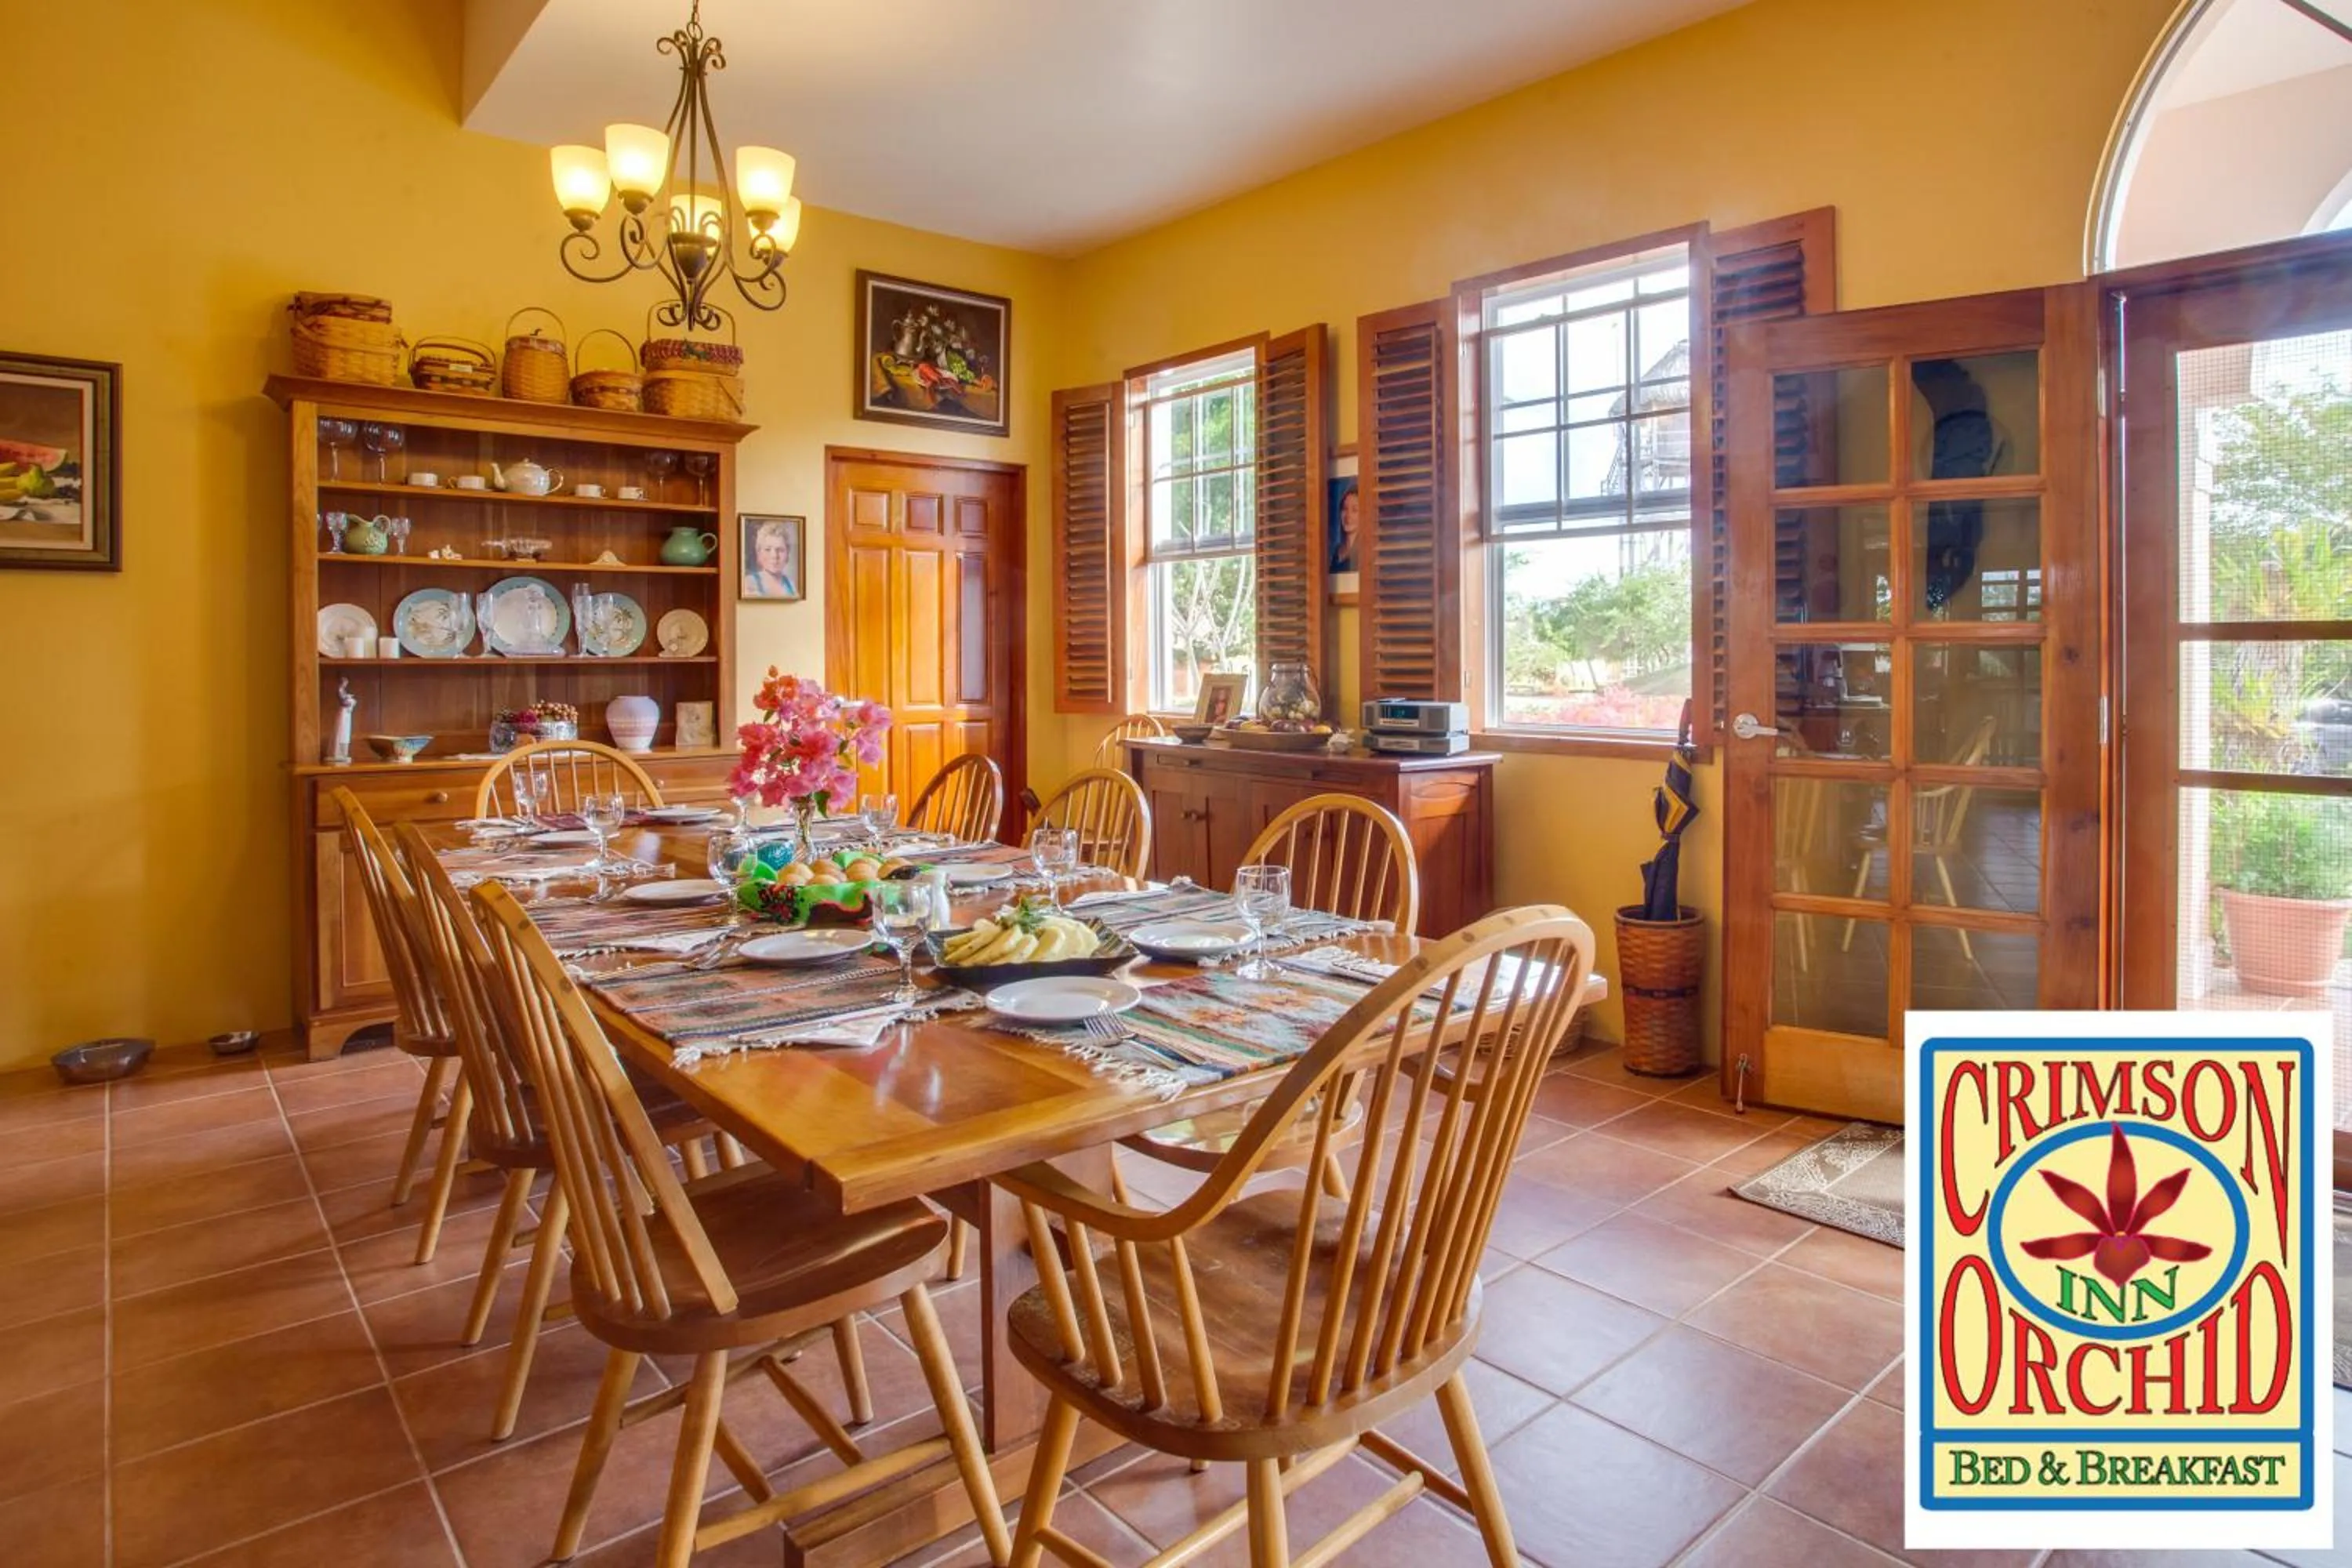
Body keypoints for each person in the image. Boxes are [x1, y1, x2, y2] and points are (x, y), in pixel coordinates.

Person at [743, 519, 797, 597]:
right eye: (768, 549)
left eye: (780, 550)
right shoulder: (749, 583)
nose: (774, 556)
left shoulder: (791, 586)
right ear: (759, 553)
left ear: (787, 553)